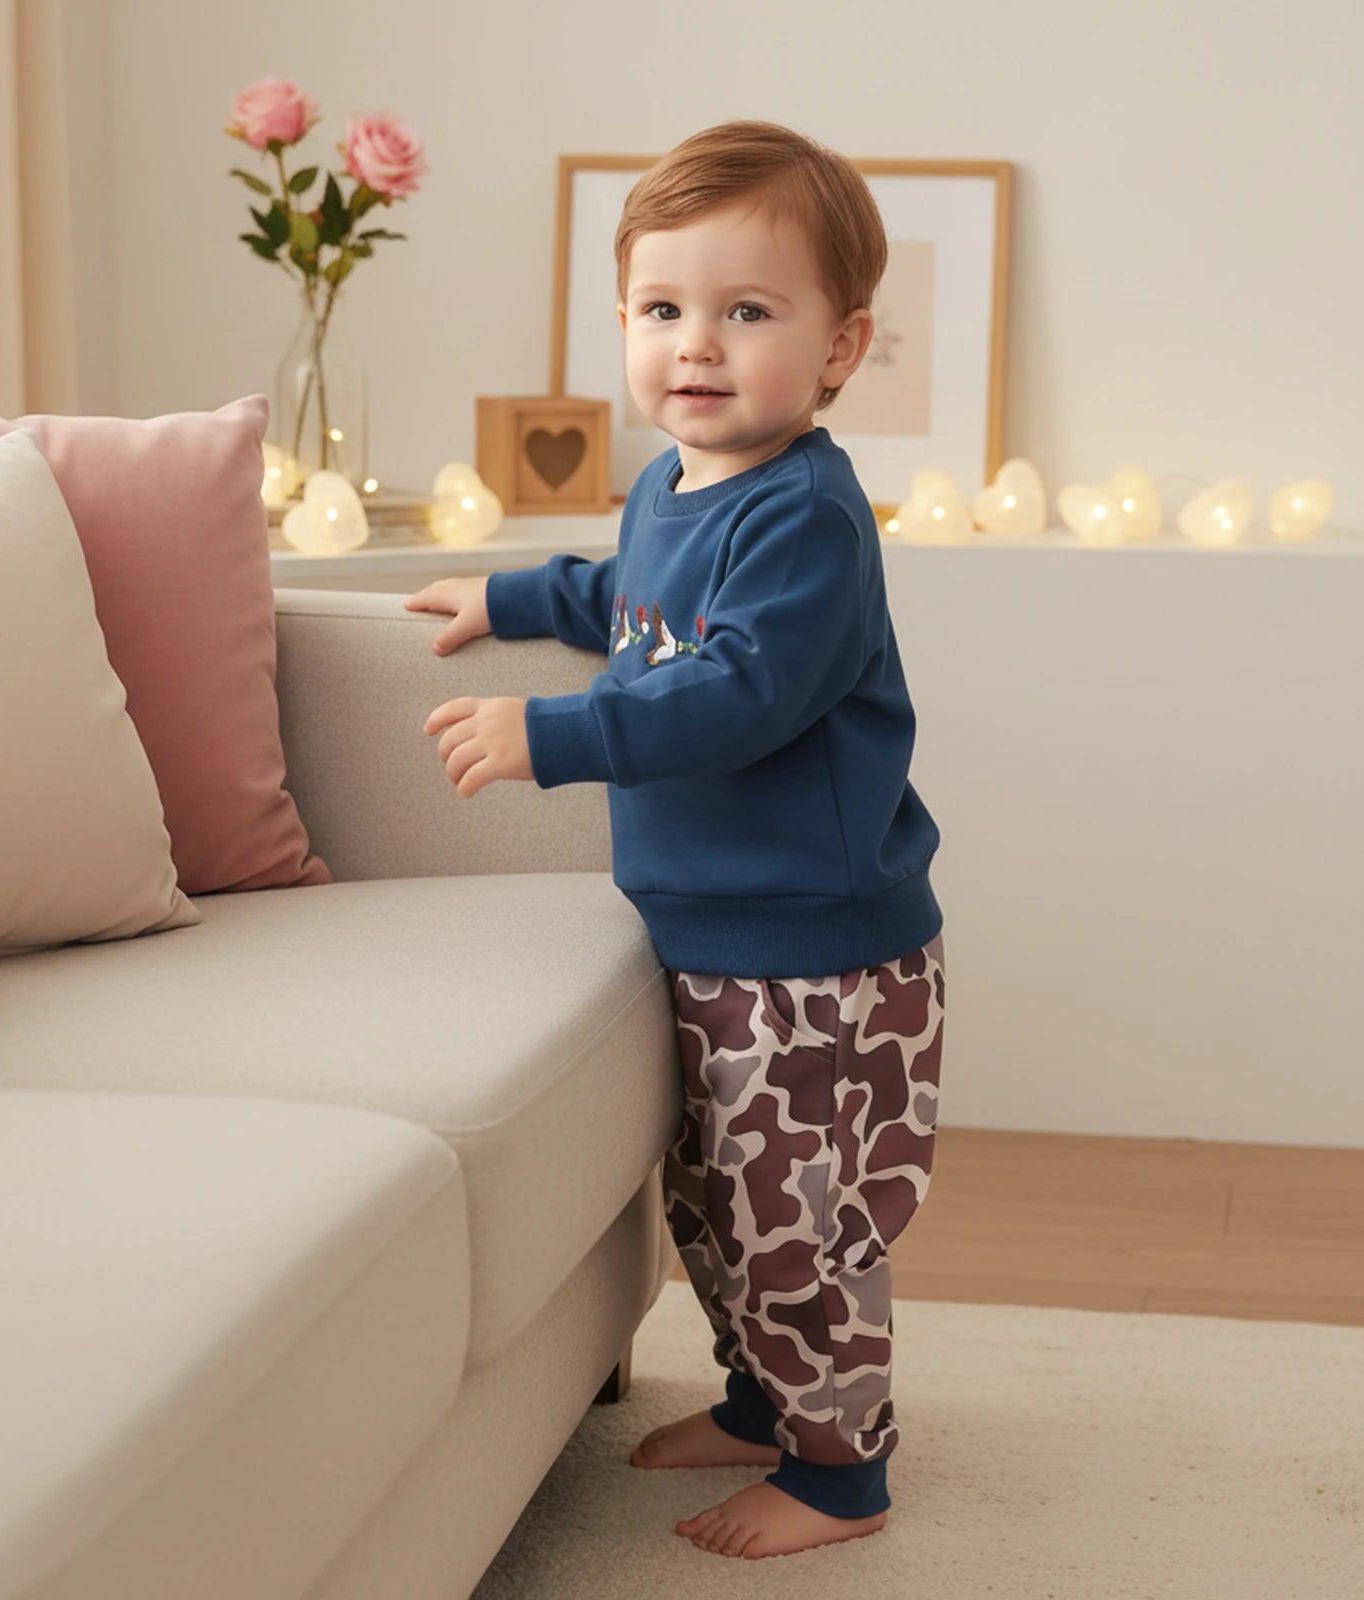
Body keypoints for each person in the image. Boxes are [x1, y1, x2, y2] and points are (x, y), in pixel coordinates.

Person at [403, 119, 944, 1562]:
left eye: (747, 313)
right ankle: (768, 1400)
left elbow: (733, 696)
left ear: (840, 349)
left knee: (796, 1219)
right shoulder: (673, 484)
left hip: (814, 955)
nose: (695, 347)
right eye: (662, 311)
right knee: (709, 1203)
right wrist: (507, 601)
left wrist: (554, 736)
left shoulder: (812, 521)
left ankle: (843, 1473)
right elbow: (624, 600)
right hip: (707, 931)